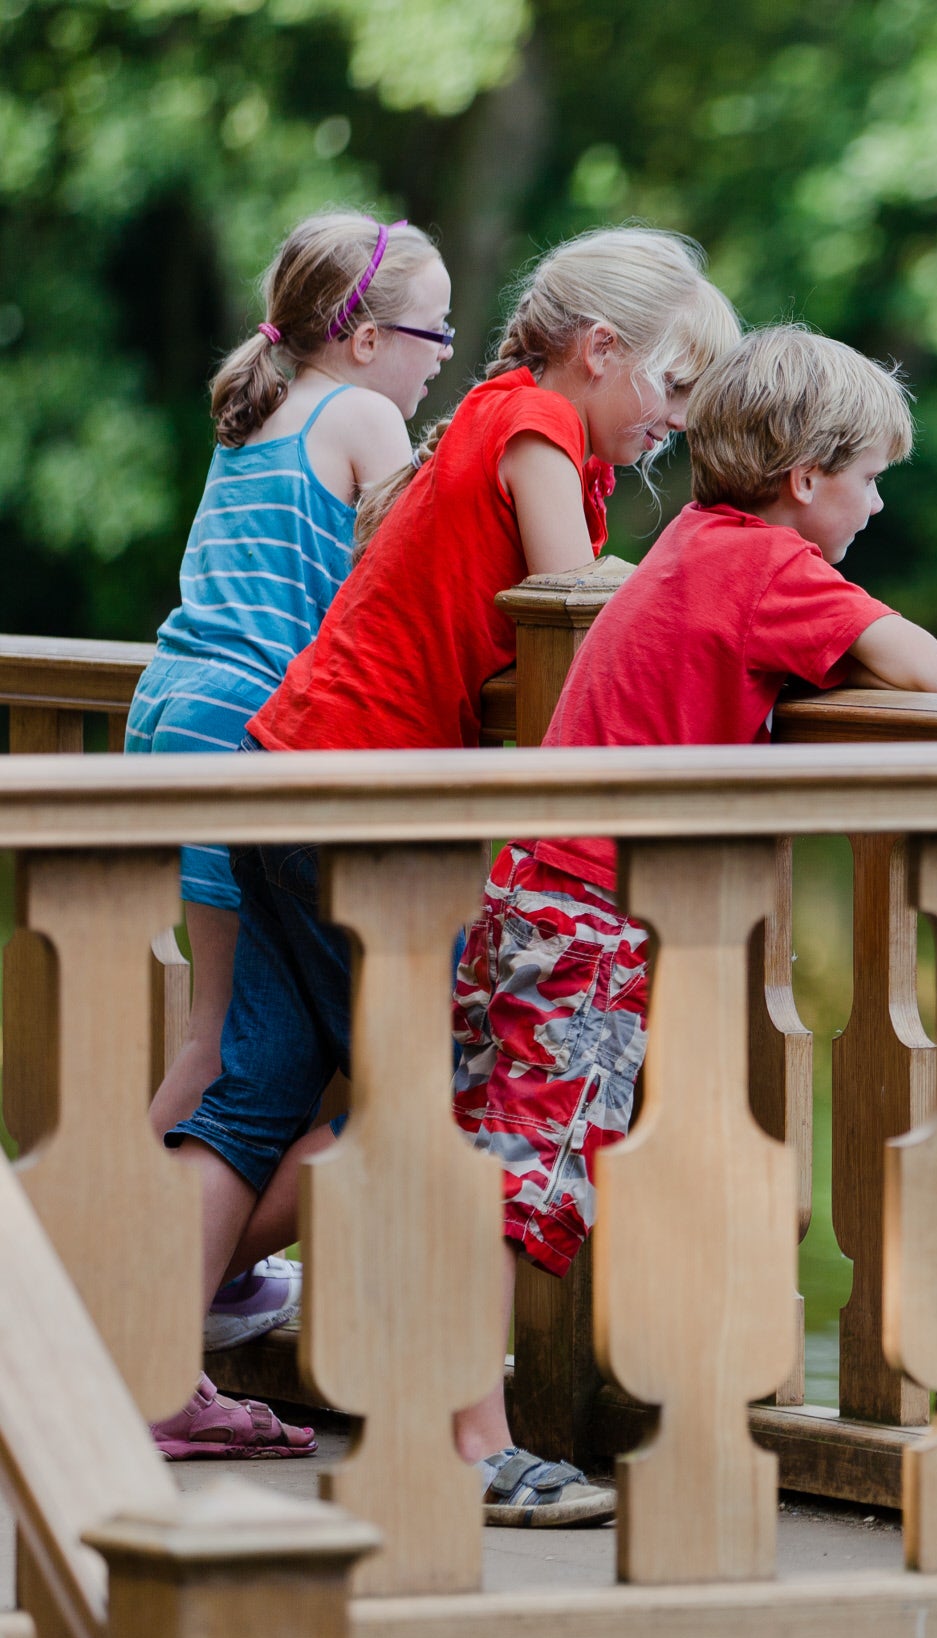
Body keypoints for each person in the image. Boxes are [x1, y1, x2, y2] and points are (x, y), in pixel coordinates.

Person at [161, 227, 739, 1523]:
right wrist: (724, 602)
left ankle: (124, 1343)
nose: (680, 421)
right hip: (353, 803)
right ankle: (465, 1436)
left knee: (262, 1090)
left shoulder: (493, 414)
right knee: (444, 1099)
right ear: (600, 352)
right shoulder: (535, 422)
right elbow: (571, 597)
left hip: (292, 774)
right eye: (676, 386)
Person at [445, 324, 937, 1520]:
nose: (877, 504)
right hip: (586, 916)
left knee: (500, 1169)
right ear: (806, 477)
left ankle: (462, 1426)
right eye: (871, 476)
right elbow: (924, 670)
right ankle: (464, 1447)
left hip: (537, 894)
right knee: (527, 1186)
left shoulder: (691, 540)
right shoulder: (770, 569)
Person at [135, 211, 456, 1461]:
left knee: (226, 1037)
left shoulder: (261, 415)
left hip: (180, 713)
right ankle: (118, 1313)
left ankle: (167, 1283)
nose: (442, 358)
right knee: (235, 1049)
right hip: (251, 738)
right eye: (432, 334)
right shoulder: (362, 418)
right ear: (368, 335)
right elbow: (415, 562)